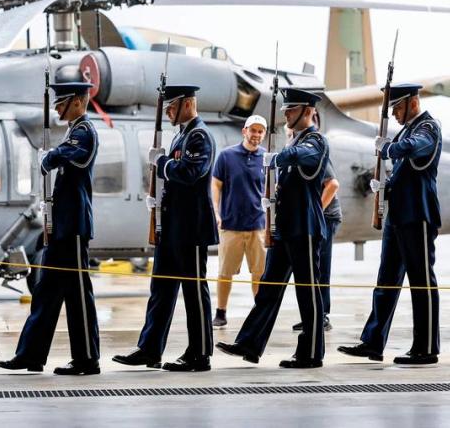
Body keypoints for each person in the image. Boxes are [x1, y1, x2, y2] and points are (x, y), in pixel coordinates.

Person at [216, 88, 329, 369]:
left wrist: (277, 157)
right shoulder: (295, 140)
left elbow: (304, 156)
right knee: (268, 287)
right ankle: (249, 343)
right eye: (286, 110)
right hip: (286, 227)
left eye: (291, 110)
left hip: (305, 226)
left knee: (308, 291)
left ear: (307, 111)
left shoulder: (315, 140)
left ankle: (311, 353)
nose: (286, 115)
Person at [0, 82, 101, 376]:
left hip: (74, 223)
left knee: (78, 294)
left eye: (62, 102)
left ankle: (87, 358)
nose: (56, 107)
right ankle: (30, 354)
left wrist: (48, 156)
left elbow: (64, 156)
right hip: (61, 223)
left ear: (78, 103)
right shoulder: (73, 130)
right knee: (46, 291)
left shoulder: (84, 131)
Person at [113, 85, 218, 372]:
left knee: (194, 292)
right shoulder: (182, 135)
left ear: (187, 104)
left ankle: (200, 353)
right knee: (161, 289)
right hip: (172, 226)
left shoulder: (199, 136)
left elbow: (190, 173)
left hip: (192, 227)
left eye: (171, 106)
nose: (168, 111)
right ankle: (149, 349)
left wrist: (162, 162)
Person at [338, 83, 442, 365]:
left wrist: (389, 147)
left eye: (397, 107)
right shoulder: (407, 130)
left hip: (417, 214)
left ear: (412, 103)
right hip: (398, 214)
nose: (395, 113)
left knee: (421, 282)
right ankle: (373, 342)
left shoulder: (428, 128)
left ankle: (426, 347)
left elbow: (414, 149)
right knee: (386, 281)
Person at [211, 114, 268, 328]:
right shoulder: (226, 156)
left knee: (259, 273)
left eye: (260, 131)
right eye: (252, 130)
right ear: (244, 131)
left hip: (258, 226)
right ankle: (221, 312)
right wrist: (216, 212)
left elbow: (274, 190)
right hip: (230, 225)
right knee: (225, 272)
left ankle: (259, 313)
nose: (256, 135)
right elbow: (215, 185)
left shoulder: (267, 158)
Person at [293, 107, 341, 333]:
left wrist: (316, 211)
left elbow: (332, 185)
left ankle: (322, 316)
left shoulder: (312, 148)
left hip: (327, 215)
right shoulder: (297, 145)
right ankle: (313, 314)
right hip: (318, 215)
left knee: (321, 267)